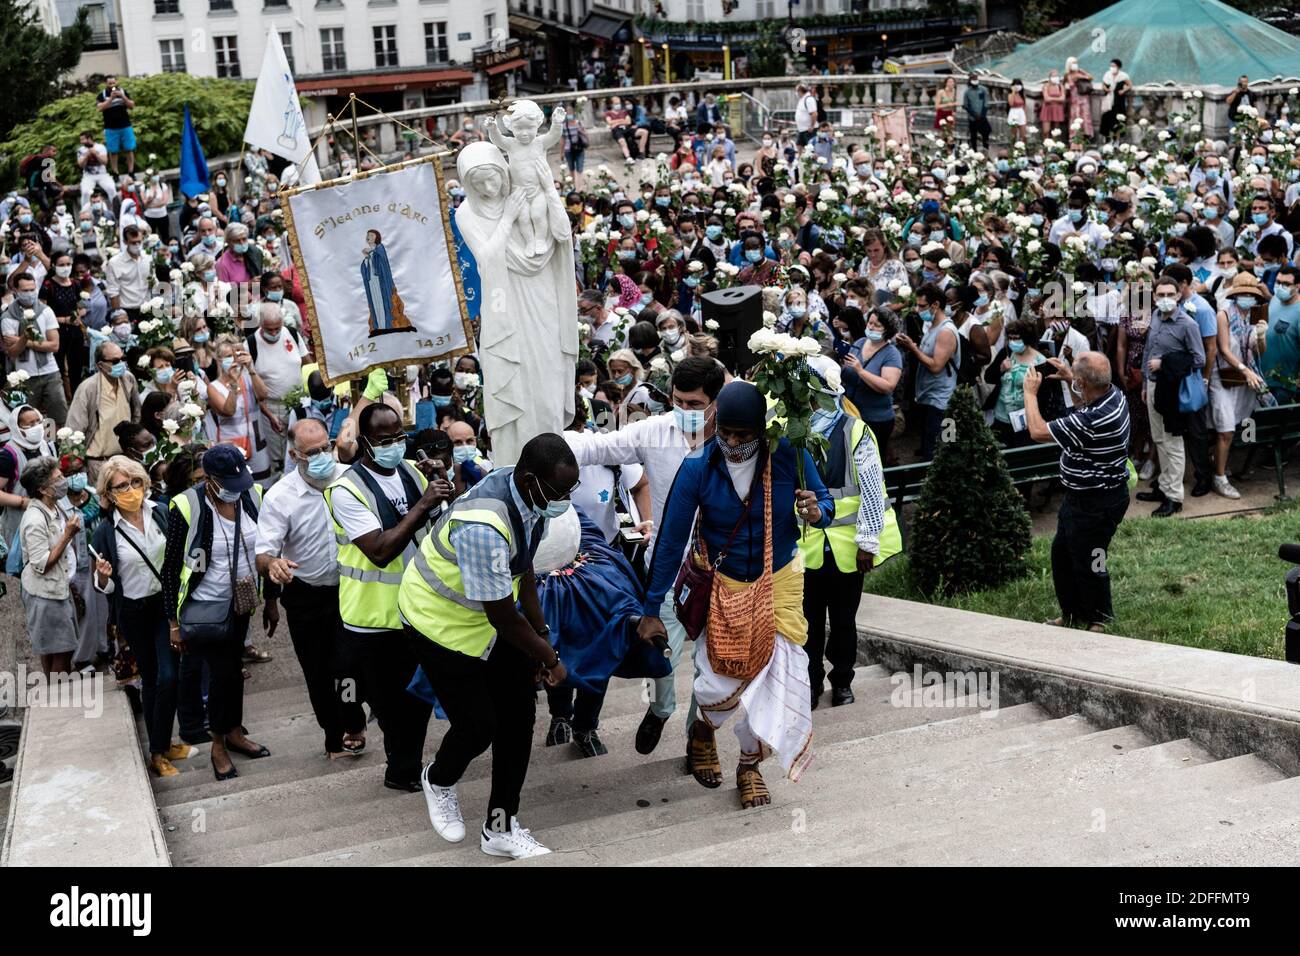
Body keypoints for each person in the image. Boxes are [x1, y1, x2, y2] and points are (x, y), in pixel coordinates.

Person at [638, 382, 832, 809]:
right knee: (717, 681)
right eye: (725, 433)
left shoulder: (789, 456)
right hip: (721, 585)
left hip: (779, 578)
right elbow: (670, 541)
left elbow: (824, 508)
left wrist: (815, 512)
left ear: (761, 431)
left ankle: (749, 766)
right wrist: (651, 607)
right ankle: (703, 729)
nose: (733, 443)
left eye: (744, 436)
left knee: (780, 679)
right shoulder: (697, 468)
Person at [399, 433, 574, 859]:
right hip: (437, 623)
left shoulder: (532, 497)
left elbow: (525, 568)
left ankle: (500, 826)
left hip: (491, 621)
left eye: (572, 490)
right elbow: (500, 615)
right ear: (531, 479)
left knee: (519, 717)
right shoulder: (484, 524)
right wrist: (548, 657)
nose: (566, 500)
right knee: (478, 726)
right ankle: (439, 779)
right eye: (559, 491)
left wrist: (543, 632)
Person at [564, 357, 725, 754]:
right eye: (678, 401)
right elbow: (595, 446)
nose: (685, 411)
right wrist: (544, 435)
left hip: (724, 569)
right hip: (668, 567)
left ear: (716, 402)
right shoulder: (653, 431)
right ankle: (660, 708)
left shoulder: (738, 437)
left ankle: (699, 738)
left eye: (695, 404)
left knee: (713, 664)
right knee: (661, 653)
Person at [325, 402, 451, 792]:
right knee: (391, 703)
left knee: (417, 697)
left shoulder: (413, 472)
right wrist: (424, 503)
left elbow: (440, 527)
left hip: (419, 609)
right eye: (385, 440)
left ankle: (408, 764)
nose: (395, 446)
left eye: (400, 437)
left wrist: (443, 486)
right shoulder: (346, 489)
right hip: (373, 617)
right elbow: (379, 550)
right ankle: (400, 771)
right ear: (365, 442)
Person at [257, 419, 367, 760]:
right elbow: (264, 551)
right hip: (306, 595)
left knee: (348, 665)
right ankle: (333, 734)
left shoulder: (351, 479)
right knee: (317, 671)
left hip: (350, 589)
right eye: (311, 452)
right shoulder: (280, 497)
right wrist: (272, 565)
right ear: (294, 455)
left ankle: (353, 723)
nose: (321, 456)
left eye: (325, 448)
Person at [163, 444, 272, 781]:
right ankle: (218, 745)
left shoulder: (252, 494)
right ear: (209, 479)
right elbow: (170, 568)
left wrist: (272, 599)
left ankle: (235, 732)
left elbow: (270, 546)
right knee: (224, 674)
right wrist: (173, 623)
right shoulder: (187, 505)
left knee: (233, 671)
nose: (235, 487)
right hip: (205, 609)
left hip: (241, 603)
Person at [797, 364, 898, 709]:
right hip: (806, 549)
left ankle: (842, 681)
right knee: (806, 623)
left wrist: (867, 543)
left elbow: (871, 490)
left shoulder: (857, 431)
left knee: (843, 621)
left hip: (847, 550)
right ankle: (810, 683)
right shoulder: (795, 434)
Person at [91, 455, 195, 775]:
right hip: (134, 612)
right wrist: (105, 576)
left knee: (168, 676)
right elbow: (103, 587)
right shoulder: (106, 532)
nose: (131, 489)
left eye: (135, 482)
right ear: (109, 494)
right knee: (152, 678)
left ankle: (160, 746)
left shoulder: (161, 513)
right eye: (121, 486)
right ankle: (158, 750)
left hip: (164, 606)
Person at [1022, 353, 1130, 631]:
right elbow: (1087, 394)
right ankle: (1072, 613)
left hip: (1097, 501)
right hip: (1084, 496)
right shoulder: (1114, 395)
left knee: (1090, 558)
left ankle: (1100, 618)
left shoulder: (1093, 419)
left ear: (1084, 383)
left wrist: (1030, 393)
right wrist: (1071, 379)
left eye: (1078, 380)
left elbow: (1036, 430)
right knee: (1062, 554)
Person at [1135, 278, 1205, 517]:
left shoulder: (1187, 324)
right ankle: (1163, 488)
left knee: (1172, 443)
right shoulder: (1155, 315)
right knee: (1159, 439)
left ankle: (1174, 498)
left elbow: (1199, 360)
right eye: (1160, 294)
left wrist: (1165, 364)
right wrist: (1145, 382)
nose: (1165, 298)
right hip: (1153, 387)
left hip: (1172, 390)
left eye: (1170, 294)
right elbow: (1147, 352)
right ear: (1154, 296)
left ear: (1178, 296)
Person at [18, 456, 80, 676]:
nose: (64, 480)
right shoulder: (35, 519)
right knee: (61, 652)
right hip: (45, 595)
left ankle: (55, 698)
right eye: (58, 478)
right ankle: (58, 702)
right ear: (44, 489)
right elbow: (41, 564)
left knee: (54, 649)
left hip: (57, 588)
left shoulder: (53, 508)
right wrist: (67, 536)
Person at [1207, 274, 1268, 499]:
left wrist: (1262, 336)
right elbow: (1224, 349)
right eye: (1242, 293)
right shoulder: (1223, 314)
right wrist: (1245, 369)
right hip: (1223, 376)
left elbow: (1259, 352)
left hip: (1243, 379)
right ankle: (1220, 477)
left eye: (1250, 294)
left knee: (1238, 423)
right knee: (1226, 428)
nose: (1246, 297)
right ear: (1234, 294)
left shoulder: (1255, 314)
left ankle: (1219, 462)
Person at [896, 284, 959, 460]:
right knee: (927, 442)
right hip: (929, 396)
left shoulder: (946, 331)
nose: (918, 310)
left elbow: (936, 366)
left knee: (945, 446)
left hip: (943, 400)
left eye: (922, 306)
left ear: (935, 305)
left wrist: (913, 349)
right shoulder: (932, 326)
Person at [66, 340, 142, 479]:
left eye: (123, 359)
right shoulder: (88, 388)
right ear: (100, 365)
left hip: (126, 459)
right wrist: (75, 462)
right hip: (99, 463)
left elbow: (136, 412)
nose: (121, 364)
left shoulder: (128, 379)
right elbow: (75, 428)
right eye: (115, 361)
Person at [246, 302, 306, 478]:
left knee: (302, 448)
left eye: (277, 329)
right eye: (269, 329)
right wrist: (269, 414)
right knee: (279, 457)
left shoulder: (292, 334)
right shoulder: (250, 344)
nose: (274, 333)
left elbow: (307, 362)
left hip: (299, 402)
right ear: (260, 325)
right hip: (271, 408)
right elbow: (251, 388)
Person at [4, 272, 67, 426]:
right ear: (15, 291)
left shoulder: (46, 311)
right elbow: (12, 352)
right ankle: (37, 447)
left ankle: (53, 445)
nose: (30, 293)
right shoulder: (8, 317)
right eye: (25, 290)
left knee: (56, 415)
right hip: (24, 376)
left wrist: (22, 340)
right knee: (30, 420)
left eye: (33, 289)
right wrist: (25, 339)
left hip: (50, 371)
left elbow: (54, 345)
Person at [841, 308, 902, 462]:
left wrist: (860, 371)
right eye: (870, 323)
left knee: (871, 463)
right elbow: (849, 372)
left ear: (887, 330)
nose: (871, 327)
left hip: (876, 419)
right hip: (852, 413)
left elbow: (888, 386)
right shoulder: (860, 342)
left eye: (877, 325)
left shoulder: (891, 354)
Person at [206, 339, 271, 479]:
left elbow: (263, 395)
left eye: (236, 355)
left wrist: (251, 369)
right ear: (219, 360)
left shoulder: (248, 377)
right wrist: (234, 386)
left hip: (257, 442)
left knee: (263, 483)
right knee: (238, 483)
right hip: (232, 445)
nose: (234, 360)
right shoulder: (213, 387)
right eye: (229, 356)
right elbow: (228, 411)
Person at [104, 224, 152, 323]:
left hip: (148, 310)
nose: (137, 245)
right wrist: (119, 318)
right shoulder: (115, 263)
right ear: (125, 242)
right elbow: (113, 292)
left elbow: (153, 282)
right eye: (133, 243)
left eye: (139, 242)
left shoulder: (148, 258)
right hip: (127, 312)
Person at [96, 75, 136, 176]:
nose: (112, 85)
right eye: (110, 84)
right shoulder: (102, 95)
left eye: (113, 83)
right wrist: (111, 99)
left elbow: (132, 105)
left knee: (129, 149)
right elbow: (100, 108)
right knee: (113, 152)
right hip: (110, 128)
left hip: (125, 126)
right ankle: (115, 173)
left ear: (116, 82)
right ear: (106, 84)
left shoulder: (123, 91)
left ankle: (131, 172)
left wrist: (123, 96)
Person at [77, 132, 117, 212]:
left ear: (89, 139)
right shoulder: (81, 150)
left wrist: (95, 154)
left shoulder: (100, 147)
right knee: (85, 192)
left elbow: (105, 162)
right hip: (88, 176)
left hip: (102, 175)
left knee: (111, 188)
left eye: (83, 139)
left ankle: (116, 210)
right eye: (80, 140)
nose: (81, 142)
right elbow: (81, 165)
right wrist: (87, 155)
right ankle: (85, 214)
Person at [1099, 59, 1131, 140]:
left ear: (1118, 67)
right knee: (1107, 120)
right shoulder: (1107, 75)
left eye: (1114, 66)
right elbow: (1103, 85)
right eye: (1111, 66)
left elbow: (1129, 85)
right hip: (1109, 101)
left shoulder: (1123, 76)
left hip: (1119, 101)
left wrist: (1123, 90)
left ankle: (1117, 140)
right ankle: (1107, 139)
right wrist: (1106, 89)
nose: (1112, 68)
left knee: (1118, 122)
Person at [1064, 57, 1094, 139]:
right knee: (1075, 116)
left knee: (1085, 116)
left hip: (1084, 98)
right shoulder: (1067, 75)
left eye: (1076, 63)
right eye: (1073, 63)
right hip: (1074, 99)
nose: (1075, 65)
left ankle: (1086, 135)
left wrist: (1082, 72)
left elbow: (1091, 77)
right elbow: (1064, 83)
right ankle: (1074, 136)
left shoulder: (1080, 73)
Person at [962, 76, 991, 152]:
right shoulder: (967, 92)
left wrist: (982, 115)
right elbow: (966, 105)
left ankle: (986, 150)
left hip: (982, 116)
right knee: (973, 135)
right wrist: (974, 115)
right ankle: (974, 151)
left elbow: (986, 103)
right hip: (972, 118)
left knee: (986, 132)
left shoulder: (983, 89)